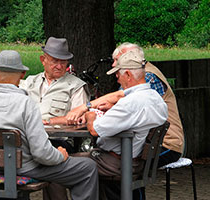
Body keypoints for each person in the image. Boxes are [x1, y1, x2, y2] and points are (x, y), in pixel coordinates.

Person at [0, 50, 99, 200]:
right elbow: (41, 153)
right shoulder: (26, 103)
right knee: (88, 167)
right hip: (24, 168)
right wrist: (60, 155)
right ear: (21, 76)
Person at [69, 49, 168, 199]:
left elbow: (95, 130)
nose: (116, 77)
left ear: (128, 74)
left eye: (118, 73)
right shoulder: (156, 98)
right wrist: (113, 110)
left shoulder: (130, 103)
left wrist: (90, 114)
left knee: (60, 165)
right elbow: (133, 118)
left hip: (117, 163)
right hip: (139, 162)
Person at [19, 36, 90, 199]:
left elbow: (80, 119)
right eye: (54, 61)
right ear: (43, 60)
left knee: (52, 158)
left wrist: (51, 122)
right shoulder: (30, 82)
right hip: (29, 142)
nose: (59, 66)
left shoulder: (75, 85)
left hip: (59, 141)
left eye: (63, 62)